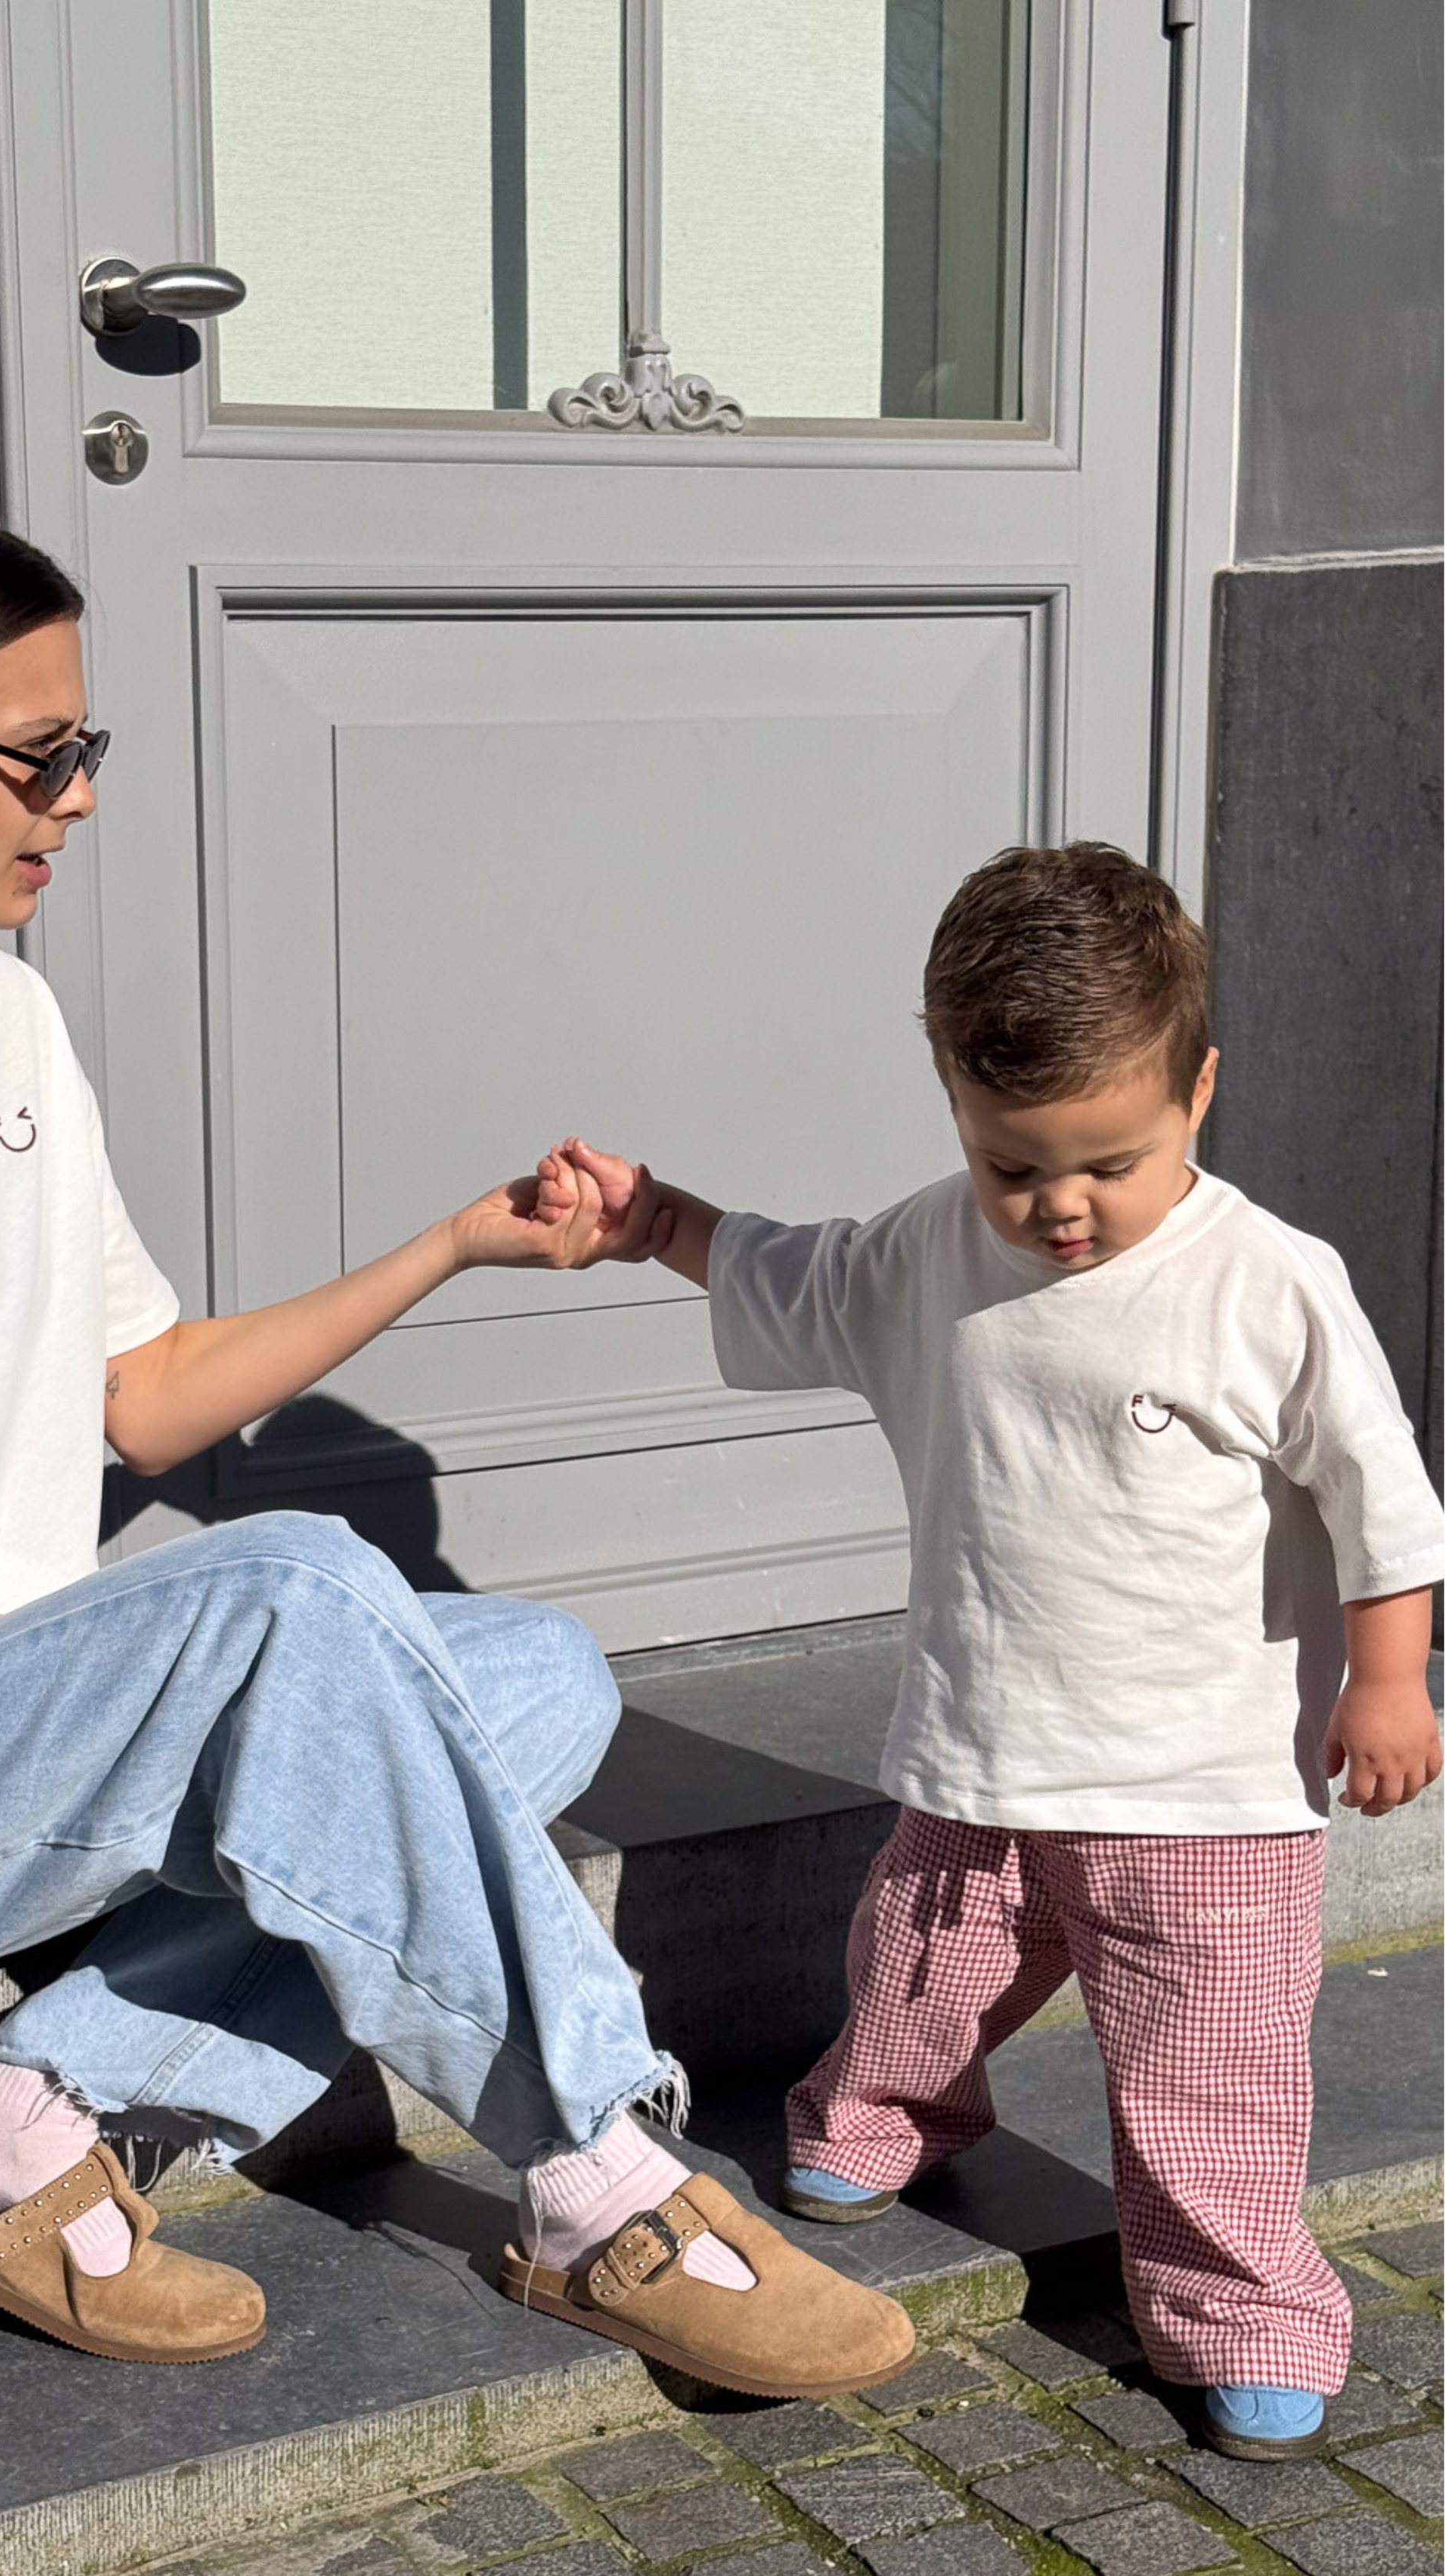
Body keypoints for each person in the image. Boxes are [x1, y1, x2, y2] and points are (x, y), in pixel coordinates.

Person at [0, 489, 913, 2394]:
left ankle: (21, 2116)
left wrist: (448, 1247)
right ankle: (599, 2180)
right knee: (299, 1597)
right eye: (37, 753)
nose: (76, 796)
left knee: (533, 1676)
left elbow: (141, 1391)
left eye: (85, 745)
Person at [535, 843, 1443, 2458]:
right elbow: (792, 1273)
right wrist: (657, 1219)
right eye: (1012, 1163)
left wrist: (1386, 1679)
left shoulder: (1266, 1284)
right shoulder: (924, 1251)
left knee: (1208, 2083)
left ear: (1198, 1087)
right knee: (917, 1965)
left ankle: (1241, 2310)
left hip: (1202, 1793)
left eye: (1111, 1161)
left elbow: (1380, 1498)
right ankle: (879, 2113)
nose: (1061, 1206)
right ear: (952, 1100)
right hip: (982, 1749)